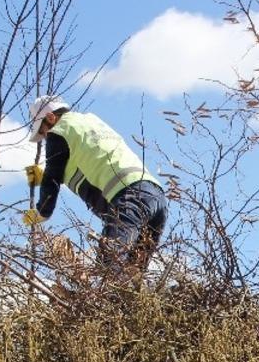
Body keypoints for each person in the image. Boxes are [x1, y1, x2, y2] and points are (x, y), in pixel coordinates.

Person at [23, 94, 167, 276]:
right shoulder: (90, 122)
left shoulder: (59, 131)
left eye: (43, 132)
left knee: (110, 268)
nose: (45, 138)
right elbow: (82, 162)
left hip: (130, 198)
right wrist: (40, 176)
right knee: (132, 276)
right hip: (156, 197)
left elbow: (53, 176)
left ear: (51, 117)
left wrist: (41, 212)